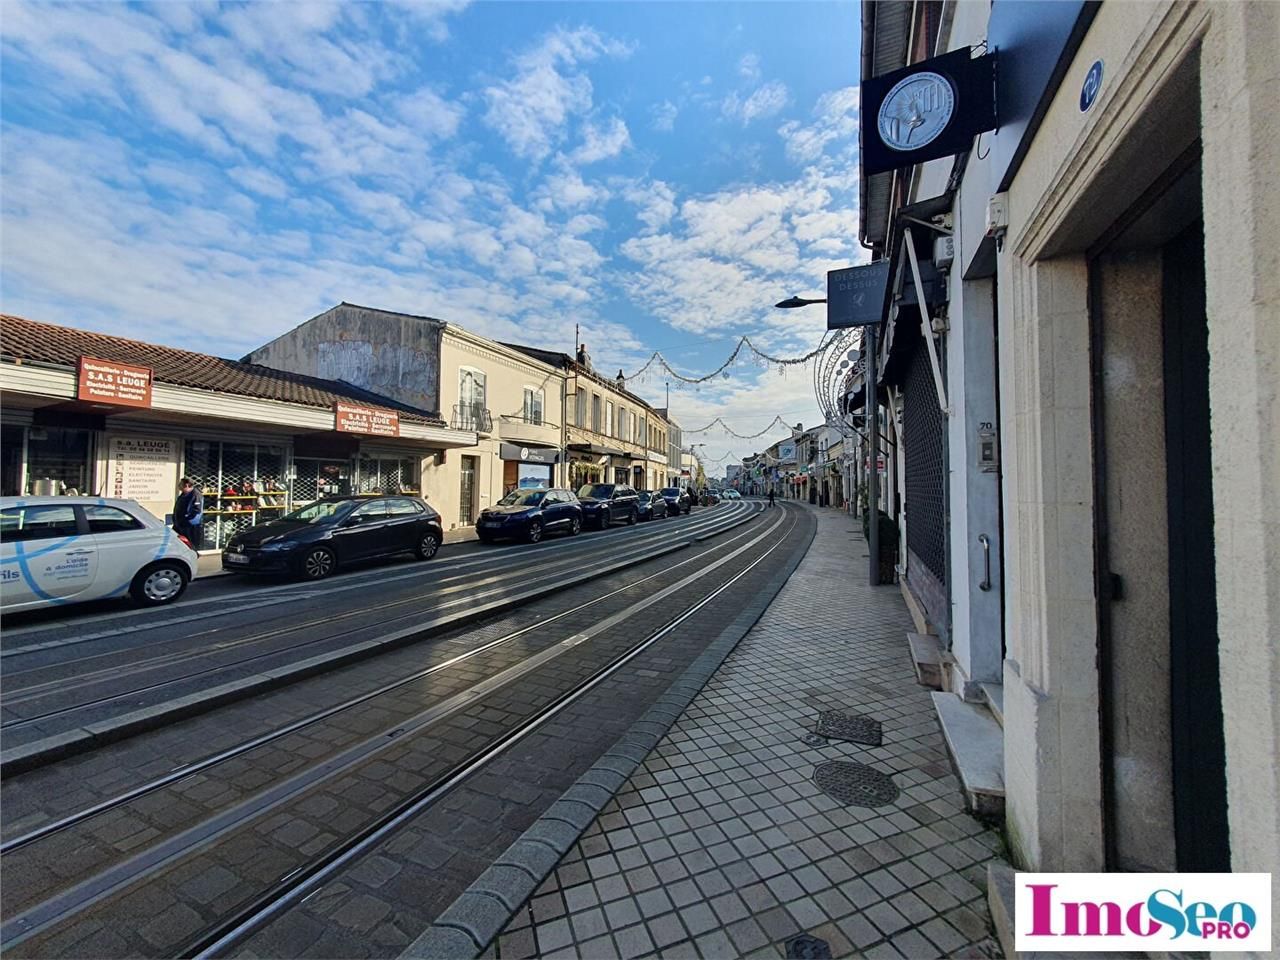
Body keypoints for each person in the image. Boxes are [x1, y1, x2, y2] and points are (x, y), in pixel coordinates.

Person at [173, 477, 204, 550]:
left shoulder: (196, 495)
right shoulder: (183, 494)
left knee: (190, 547)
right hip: (180, 525)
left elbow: (197, 511)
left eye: (180, 484)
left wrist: (187, 520)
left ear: (186, 485)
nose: (179, 485)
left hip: (190, 527)